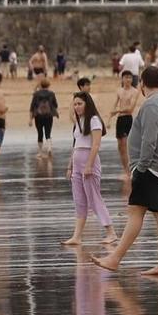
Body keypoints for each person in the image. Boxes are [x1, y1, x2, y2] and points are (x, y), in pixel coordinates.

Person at [89, 66, 158, 277]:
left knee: (136, 211)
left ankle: (115, 258)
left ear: (142, 85)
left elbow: (149, 139)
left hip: (151, 168)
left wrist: (141, 167)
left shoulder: (152, 105)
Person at [61, 91, 115, 247]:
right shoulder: (78, 122)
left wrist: (89, 165)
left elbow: (96, 144)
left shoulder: (94, 120)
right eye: (75, 104)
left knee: (93, 198)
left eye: (80, 104)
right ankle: (76, 236)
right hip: (77, 163)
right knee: (79, 200)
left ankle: (111, 232)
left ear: (87, 104)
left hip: (89, 163)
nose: (77, 107)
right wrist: (70, 166)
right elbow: (75, 144)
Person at [112, 72, 143, 171]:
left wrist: (117, 110)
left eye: (130, 78)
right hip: (120, 119)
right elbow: (114, 105)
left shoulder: (134, 92)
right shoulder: (119, 91)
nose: (128, 80)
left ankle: (129, 169)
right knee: (120, 146)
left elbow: (130, 109)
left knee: (125, 144)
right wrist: (109, 120)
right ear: (122, 79)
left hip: (128, 118)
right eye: (126, 78)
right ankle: (125, 167)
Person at [30, 78, 59, 152]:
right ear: (48, 85)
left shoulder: (36, 94)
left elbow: (32, 106)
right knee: (48, 132)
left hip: (38, 116)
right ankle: (49, 148)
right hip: (48, 115)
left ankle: (40, 151)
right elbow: (55, 105)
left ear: (41, 85)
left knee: (40, 133)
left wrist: (30, 119)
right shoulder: (51, 93)